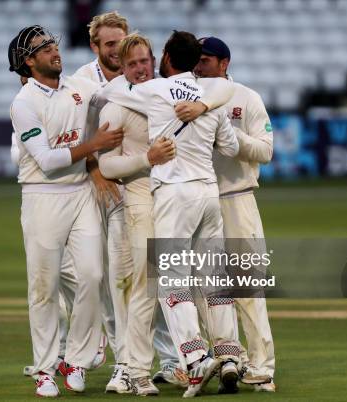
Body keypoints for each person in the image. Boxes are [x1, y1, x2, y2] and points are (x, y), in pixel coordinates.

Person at [102, 31, 242, 398]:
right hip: (209, 192)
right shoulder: (208, 98)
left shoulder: (156, 91)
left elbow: (112, 90)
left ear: (164, 57)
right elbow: (229, 145)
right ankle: (228, 357)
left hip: (174, 195)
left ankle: (195, 359)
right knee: (215, 276)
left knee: (171, 278)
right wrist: (206, 109)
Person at [8, 25, 124, 397]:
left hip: (81, 194)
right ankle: (44, 369)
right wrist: (94, 145)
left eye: (53, 44)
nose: (54, 51)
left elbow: (117, 92)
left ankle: (76, 360)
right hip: (43, 197)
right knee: (44, 287)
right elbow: (45, 160)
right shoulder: (25, 102)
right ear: (29, 61)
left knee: (92, 275)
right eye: (44, 48)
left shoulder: (78, 86)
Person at [194, 36, 276, 393]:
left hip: (237, 199)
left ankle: (262, 368)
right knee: (207, 290)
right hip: (198, 201)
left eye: (207, 60)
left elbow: (266, 151)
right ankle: (230, 358)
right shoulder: (186, 97)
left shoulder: (246, 97)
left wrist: (228, 138)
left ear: (224, 63)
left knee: (247, 288)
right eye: (196, 60)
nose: (199, 66)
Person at [73, 11, 135, 393]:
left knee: (138, 278)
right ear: (95, 47)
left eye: (121, 42)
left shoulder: (142, 76)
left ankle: (167, 358)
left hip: (138, 186)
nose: (116, 50)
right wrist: (95, 171)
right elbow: (74, 137)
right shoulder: (81, 84)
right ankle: (111, 356)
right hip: (94, 189)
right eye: (109, 44)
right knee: (100, 280)